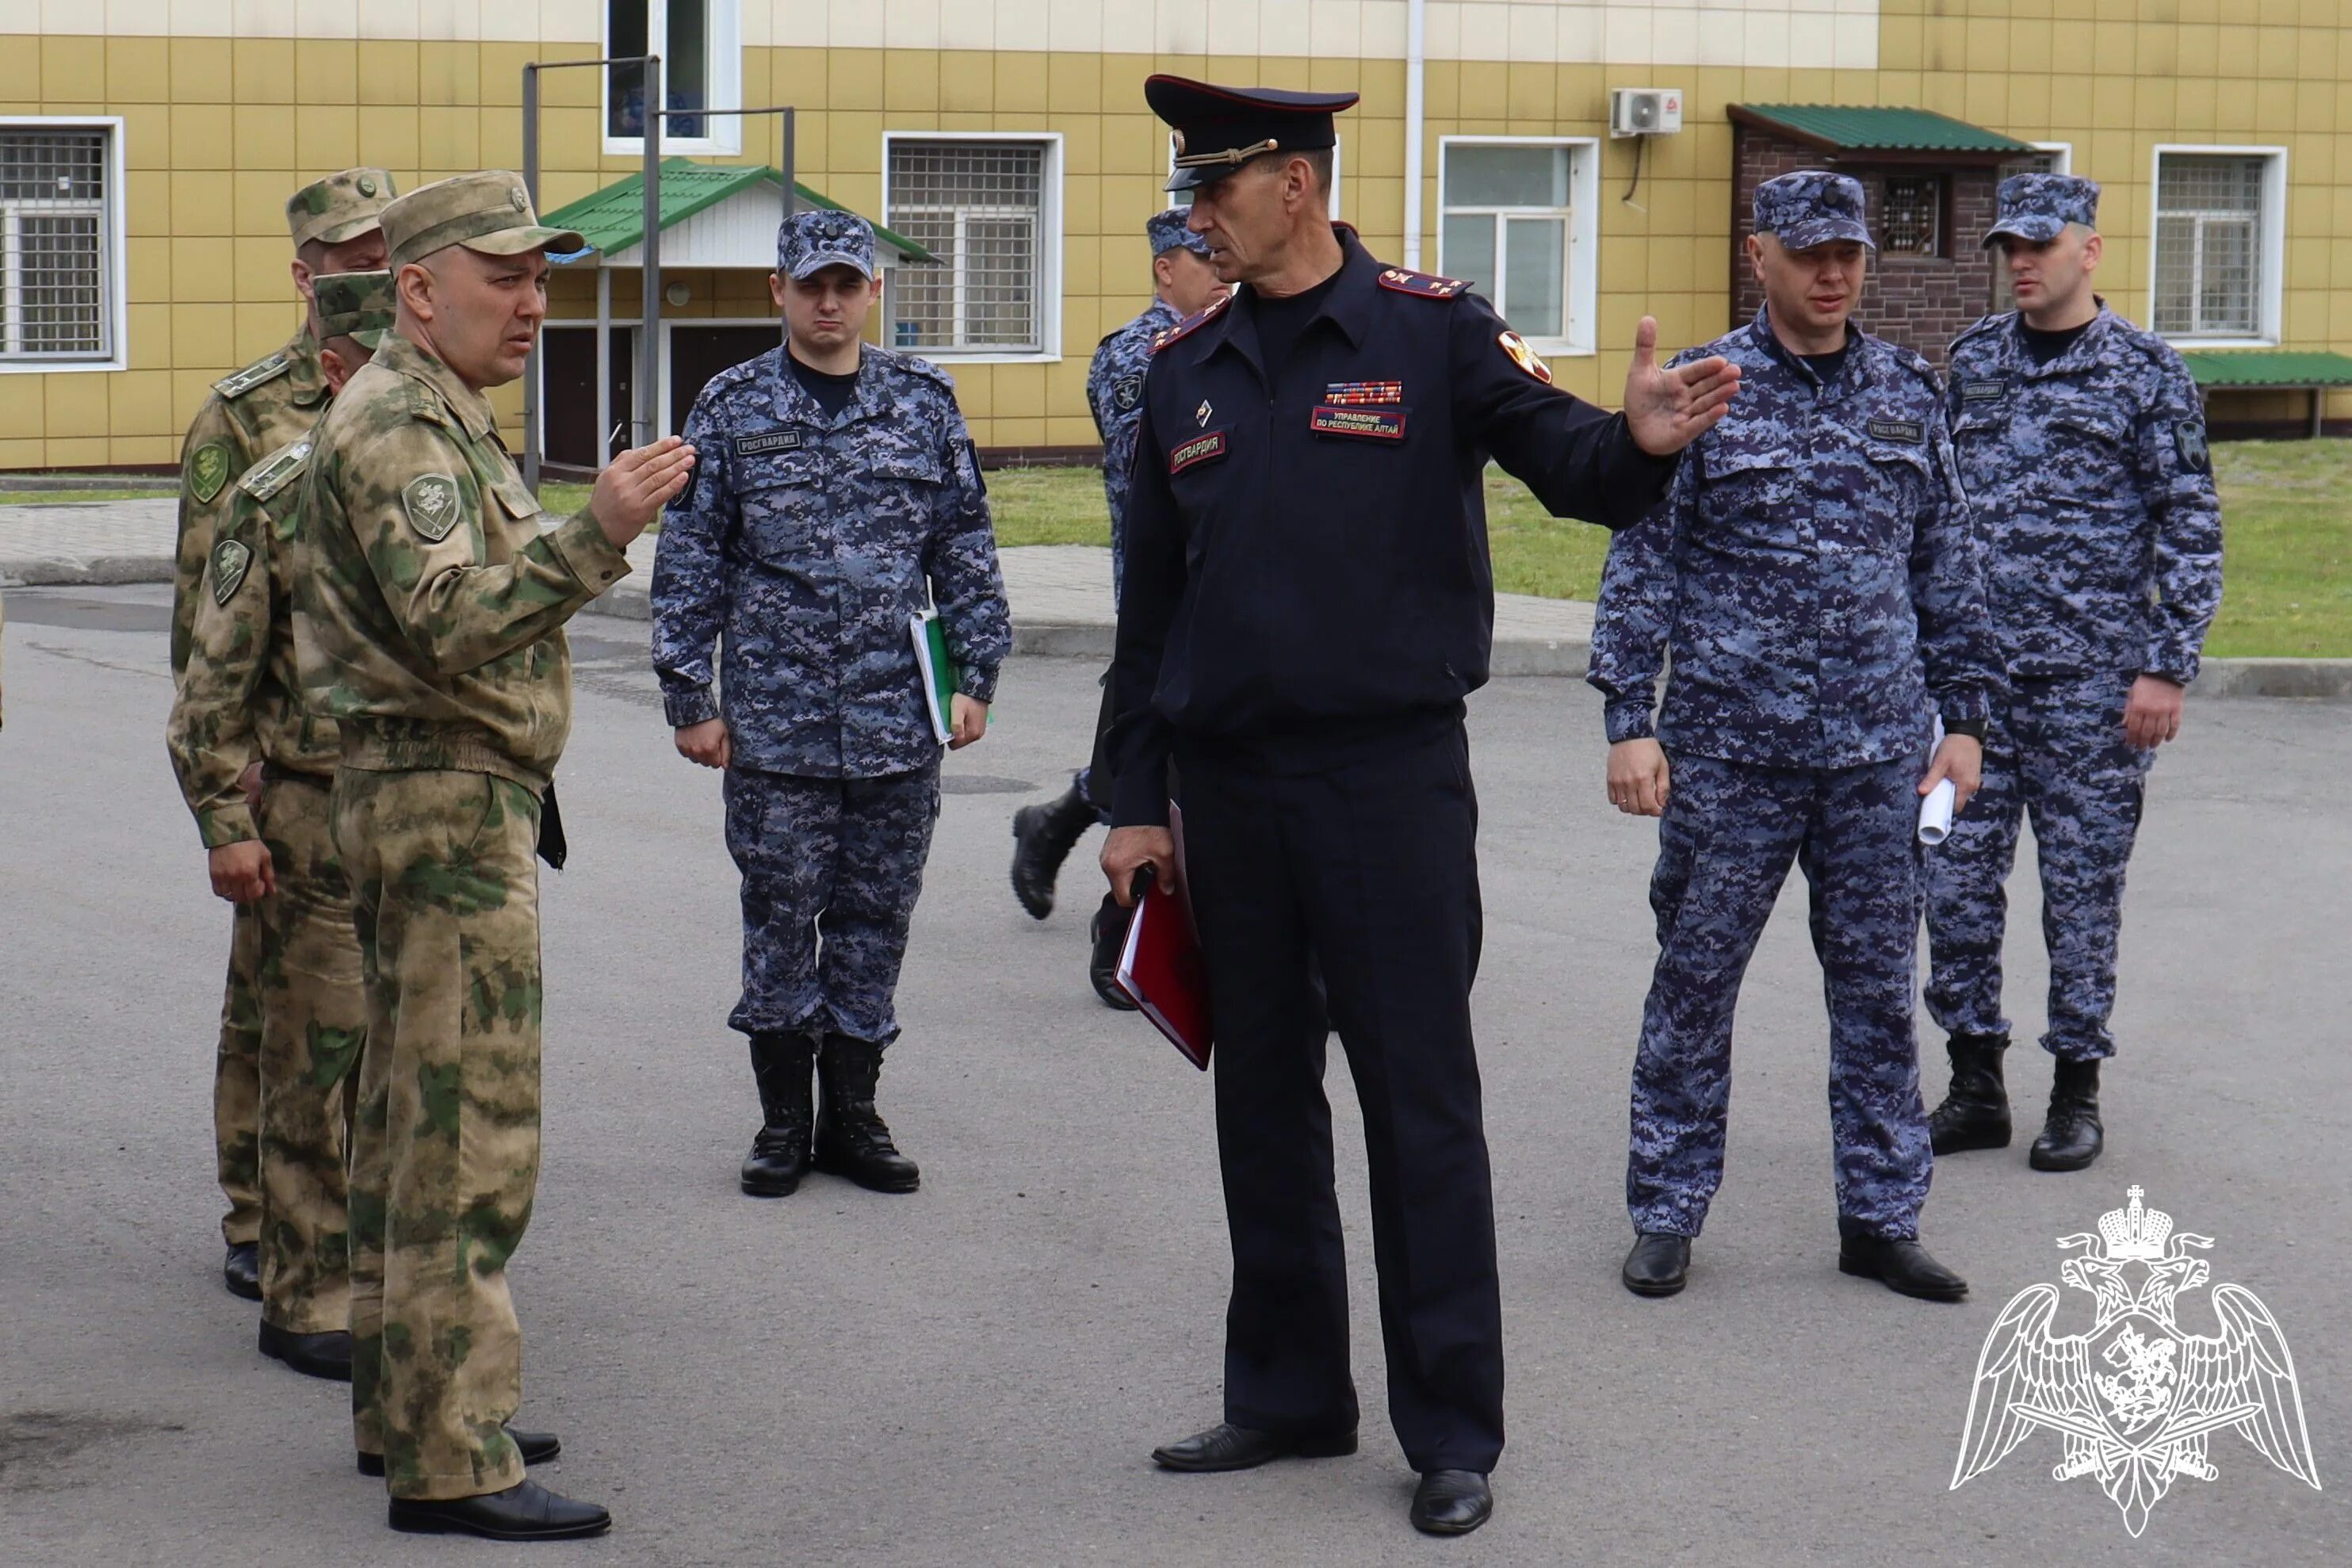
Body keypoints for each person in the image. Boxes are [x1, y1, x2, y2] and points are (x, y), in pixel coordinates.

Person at [1100, 76, 1740, 1538]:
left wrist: (1638, 439)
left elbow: (1567, 462)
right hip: (1229, 790)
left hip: (1384, 780)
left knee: (1418, 1103)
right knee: (1257, 1095)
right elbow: (1150, 614)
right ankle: (1286, 1393)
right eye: (1194, 190)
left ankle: (1450, 1423)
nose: (1198, 215)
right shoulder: (1179, 369)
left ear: (1298, 186)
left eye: (1221, 187)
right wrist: (1135, 802)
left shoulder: (1429, 326)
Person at [292, 170, 695, 1541]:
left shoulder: (437, 409)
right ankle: (452, 1454)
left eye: (541, 278)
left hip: (441, 803)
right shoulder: (401, 421)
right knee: (467, 1137)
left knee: (411, 1125)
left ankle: (415, 1401)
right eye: (506, 277)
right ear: (417, 290)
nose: (535, 303)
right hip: (443, 810)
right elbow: (456, 617)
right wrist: (605, 528)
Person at [1588, 170, 2001, 1306]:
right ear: (1757, 254)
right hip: (1727, 751)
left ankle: (1879, 1217)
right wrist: (1629, 720)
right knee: (1693, 981)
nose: (1831, 276)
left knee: (1873, 991)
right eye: (1809, 253)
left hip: (1876, 755)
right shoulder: (1703, 390)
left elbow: (1944, 564)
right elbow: (1642, 561)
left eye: (1848, 255)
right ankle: (1665, 1210)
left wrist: (1962, 721)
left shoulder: (1905, 391)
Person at [655, 210, 1011, 1202]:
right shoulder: (730, 406)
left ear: (872, 293)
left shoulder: (922, 402)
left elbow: (964, 545)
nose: (828, 302)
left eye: (846, 285)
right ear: (778, 291)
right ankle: (781, 1123)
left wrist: (977, 673)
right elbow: (692, 559)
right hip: (775, 725)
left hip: (899, 723)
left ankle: (853, 1115)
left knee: (875, 919)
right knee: (780, 919)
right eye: (810, 285)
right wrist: (692, 693)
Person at [1921, 174, 2224, 1172]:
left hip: (2097, 689)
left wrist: (2166, 666)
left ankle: (2077, 1092)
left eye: (2040, 245)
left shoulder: (2145, 372)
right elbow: (1937, 517)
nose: (2022, 262)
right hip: (1977, 689)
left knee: (2082, 893)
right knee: (1955, 882)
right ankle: (1975, 1082)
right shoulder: (1971, 364)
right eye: (2010, 246)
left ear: (2088, 250)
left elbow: (2189, 520)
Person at [165, 270, 396, 1383]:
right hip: (300, 795)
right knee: (304, 1042)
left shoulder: (427, 472)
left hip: (413, 810)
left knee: (391, 1057)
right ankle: (286, 1256)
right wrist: (223, 806)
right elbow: (208, 654)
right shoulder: (267, 480)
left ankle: (368, 1269)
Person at [1010, 208, 1223, 1006]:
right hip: (1165, 593)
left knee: (1146, 742)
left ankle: (1059, 821)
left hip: (1222, 590)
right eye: (1204, 260)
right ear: (1166, 268)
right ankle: (1122, 932)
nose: (1221, 271)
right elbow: (1171, 472)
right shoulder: (1141, 356)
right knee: (1163, 755)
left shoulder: (1231, 341)